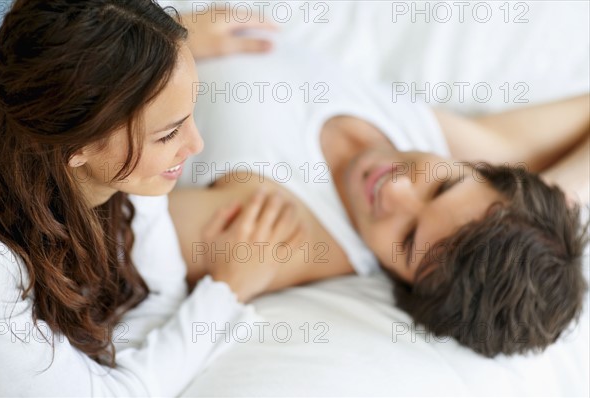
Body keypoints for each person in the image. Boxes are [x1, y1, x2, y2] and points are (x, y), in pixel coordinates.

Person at [169, 41, 589, 358]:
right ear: (477, 168)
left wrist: (173, 46)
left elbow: (111, 228)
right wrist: (549, 198)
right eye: (442, 187)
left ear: (405, 284)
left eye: (407, 238)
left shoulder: (278, 234)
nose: (395, 190)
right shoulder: (434, 140)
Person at [0, 1, 295, 397]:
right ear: (76, 144)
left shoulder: (125, 180)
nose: (196, 145)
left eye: (188, 115)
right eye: (168, 135)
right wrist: (227, 291)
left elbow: (156, 301)